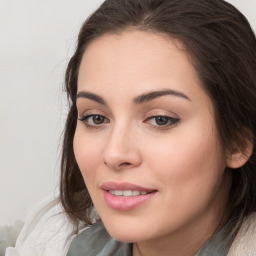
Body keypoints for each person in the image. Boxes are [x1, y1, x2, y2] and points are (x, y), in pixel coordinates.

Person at [6, 0, 256, 255]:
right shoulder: (50, 237)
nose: (114, 154)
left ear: (236, 143)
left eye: (161, 119)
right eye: (96, 118)